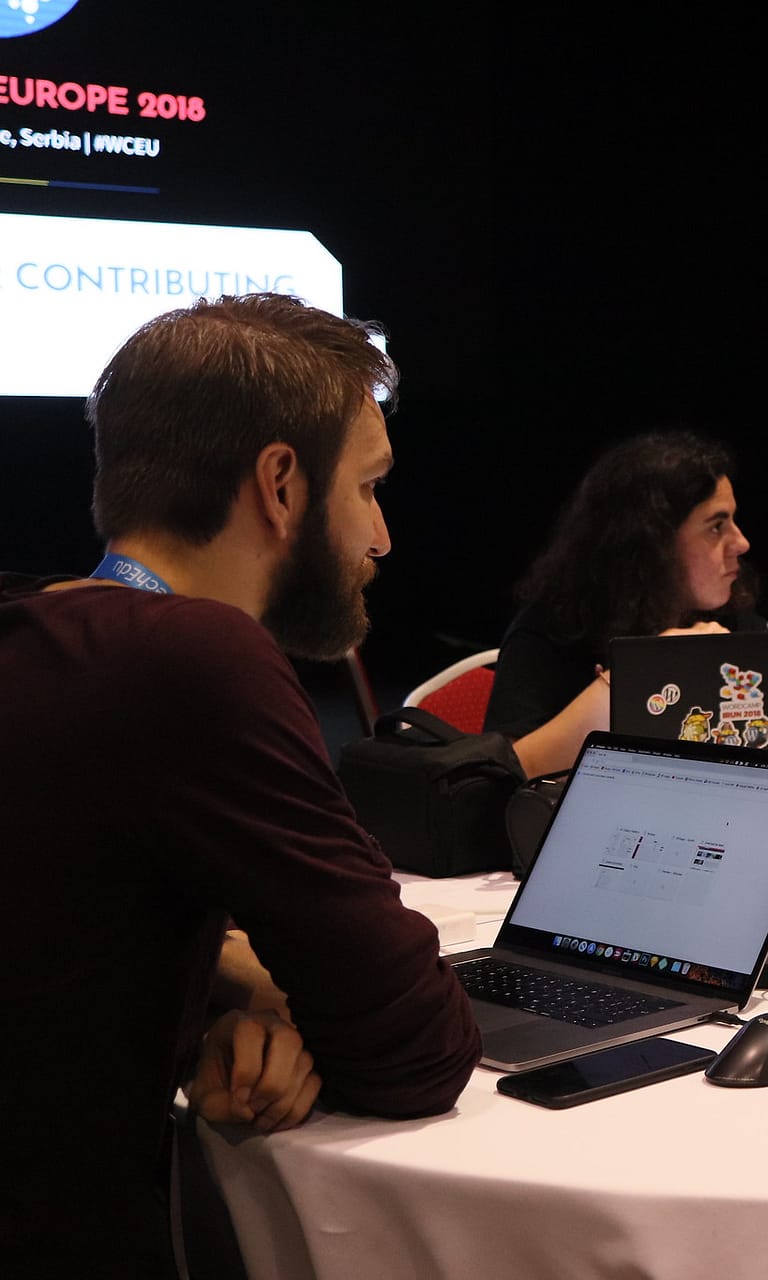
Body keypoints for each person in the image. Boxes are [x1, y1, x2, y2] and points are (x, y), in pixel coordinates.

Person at [0, 294, 482, 1271]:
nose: (380, 538)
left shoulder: (38, 628)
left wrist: (222, 986)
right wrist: (278, 991)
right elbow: (418, 1047)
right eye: (368, 487)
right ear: (280, 483)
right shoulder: (192, 658)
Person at [484, 429, 762, 775]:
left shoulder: (735, 618)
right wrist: (638, 677)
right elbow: (503, 775)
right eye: (716, 527)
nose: (742, 542)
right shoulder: (556, 626)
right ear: (652, 544)